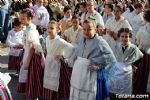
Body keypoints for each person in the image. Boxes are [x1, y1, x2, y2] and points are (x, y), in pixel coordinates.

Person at [69, 20, 116, 100]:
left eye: (89, 29)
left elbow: (111, 58)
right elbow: (78, 52)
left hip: (92, 75)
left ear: (95, 30)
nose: (86, 32)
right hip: (79, 75)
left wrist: (98, 67)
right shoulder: (82, 39)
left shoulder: (100, 42)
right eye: (84, 29)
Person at [18, 9, 45, 100]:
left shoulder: (31, 30)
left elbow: (33, 47)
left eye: (23, 19)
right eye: (20, 18)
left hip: (33, 56)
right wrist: (23, 59)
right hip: (27, 53)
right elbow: (27, 46)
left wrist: (27, 61)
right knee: (27, 75)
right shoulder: (28, 28)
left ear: (29, 18)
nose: (21, 20)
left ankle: (34, 95)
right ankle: (30, 92)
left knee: (33, 76)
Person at [108, 28, 143, 98]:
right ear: (119, 37)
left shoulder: (133, 48)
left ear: (129, 37)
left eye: (126, 36)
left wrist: (135, 66)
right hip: (117, 71)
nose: (124, 39)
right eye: (122, 36)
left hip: (127, 72)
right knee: (114, 90)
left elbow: (140, 56)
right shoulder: (115, 46)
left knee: (125, 92)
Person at [43, 20, 73, 100]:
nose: (49, 30)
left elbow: (72, 48)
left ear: (57, 30)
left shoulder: (60, 41)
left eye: (52, 28)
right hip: (49, 63)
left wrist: (63, 56)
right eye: (48, 28)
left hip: (57, 65)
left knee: (56, 83)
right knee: (48, 82)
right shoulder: (46, 39)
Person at [134, 9, 150, 94]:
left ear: (145, 18)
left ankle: (141, 91)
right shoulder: (143, 28)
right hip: (146, 53)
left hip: (143, 53)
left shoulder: (142, 29)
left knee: (142, 75)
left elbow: (137, 41)